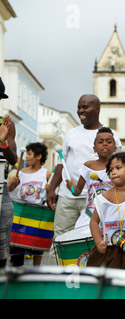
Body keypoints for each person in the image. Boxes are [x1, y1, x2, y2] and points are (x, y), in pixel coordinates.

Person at [46, 94, 121, 264]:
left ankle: (90, 279)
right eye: (79, 107)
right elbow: (61, 163)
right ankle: (55, 279)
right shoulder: (71, 134)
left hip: (100, 201)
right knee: (60, 239)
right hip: (68, 197)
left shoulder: (111, 135)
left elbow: (120, 166)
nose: (81, 111)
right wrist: (52, 189)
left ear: (97, 109)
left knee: (96, 243)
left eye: (85, 107)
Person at [8, 142, 51, 266]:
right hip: (22, 213)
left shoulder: (47, 174)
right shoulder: (21, 172)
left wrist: (50, 188)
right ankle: (15, 273)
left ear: (39, 156)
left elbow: (52, 194)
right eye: (26, 154)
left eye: (30, 154)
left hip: (38, 214)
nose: (26, 157)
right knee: (16, 246)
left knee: (37, 248)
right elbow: (10, 189)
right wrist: (12, 183)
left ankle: (36, 273)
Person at [66, 127, 117, 228]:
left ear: (115, 148)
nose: (105, 144)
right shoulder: (88, 166)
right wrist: (71, 187)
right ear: (94, 148)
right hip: (90, 216)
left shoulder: (120, 166)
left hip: (113, 215)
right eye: (100, 142)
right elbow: (77, 191)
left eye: (109, 141)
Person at [0, 76, 18, 269]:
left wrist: (3, 142)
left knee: (4, 222)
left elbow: (13, 159)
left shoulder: (6, 124)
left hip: (0, 187)